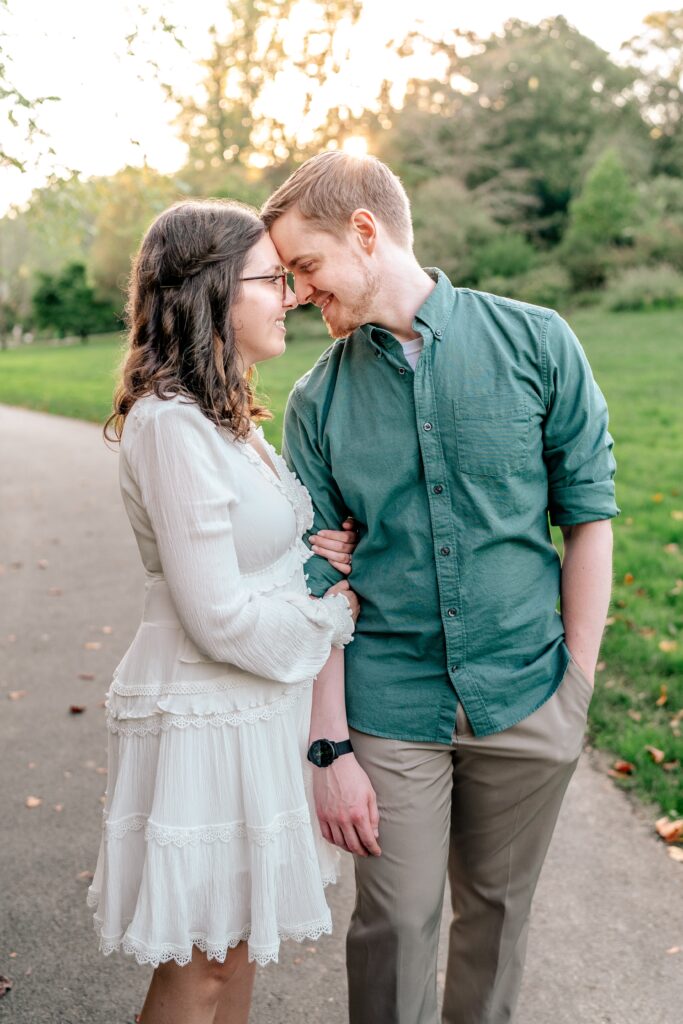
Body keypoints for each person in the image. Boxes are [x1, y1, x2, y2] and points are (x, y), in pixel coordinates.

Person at [262, 151, 618, 1024]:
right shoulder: (316, 401)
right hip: (389, 706)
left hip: (529, 694)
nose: (298, 293)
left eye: (304, 267)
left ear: (365, 231)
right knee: (393, 922)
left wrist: (576, 680)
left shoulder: (537, 342)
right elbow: (318, 580)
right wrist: (329, 747)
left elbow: (589, 515)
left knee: (497, 919)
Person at [89, 198, 360, 1024]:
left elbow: (256, 557)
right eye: (271, 280)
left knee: (236, 954)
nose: (290, 296)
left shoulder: (225, 420)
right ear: (209, 291)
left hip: (252, 713)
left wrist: (309, 558)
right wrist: (330, 606)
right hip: (206, 715)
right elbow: (218, 616)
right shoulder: (171, 425)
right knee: (204, 965)